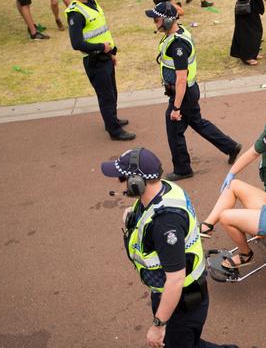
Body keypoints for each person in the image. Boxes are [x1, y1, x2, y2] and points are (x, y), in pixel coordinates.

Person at [101, 148, 237, 348]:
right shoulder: (165, 189)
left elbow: (175, 279)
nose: (119, 182)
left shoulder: (165, 224)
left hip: (180, 300)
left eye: (123, 177)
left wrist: (158, 324)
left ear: (136, 183)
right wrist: (134, 216)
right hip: (180, 295)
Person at [146, 2, 242, 181]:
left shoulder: (178, 45)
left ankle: (183, 168)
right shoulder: (178, 32)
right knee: (198, 122)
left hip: (182, 94)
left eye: (156, 19)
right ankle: (230, 146)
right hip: (189, 91)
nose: (154, 22)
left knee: (174, 130)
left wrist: (176, 108)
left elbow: (181, 78)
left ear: (166, 21)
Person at [66, 0, 135, 141]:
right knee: (106, 96)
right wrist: (101, 47)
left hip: (105, 56)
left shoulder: (92, 3)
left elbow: (101, 31)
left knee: (112, 92)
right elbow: (76, 44)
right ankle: (114, 131)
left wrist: (110, 53)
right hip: (95, 60)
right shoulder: (75, 12)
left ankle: (112, 120)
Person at [230, 0, 266, 66]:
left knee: (256, 30)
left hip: (253, 4)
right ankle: (247, 57)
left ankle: (253, 54)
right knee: (247, 32)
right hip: (245, 5)